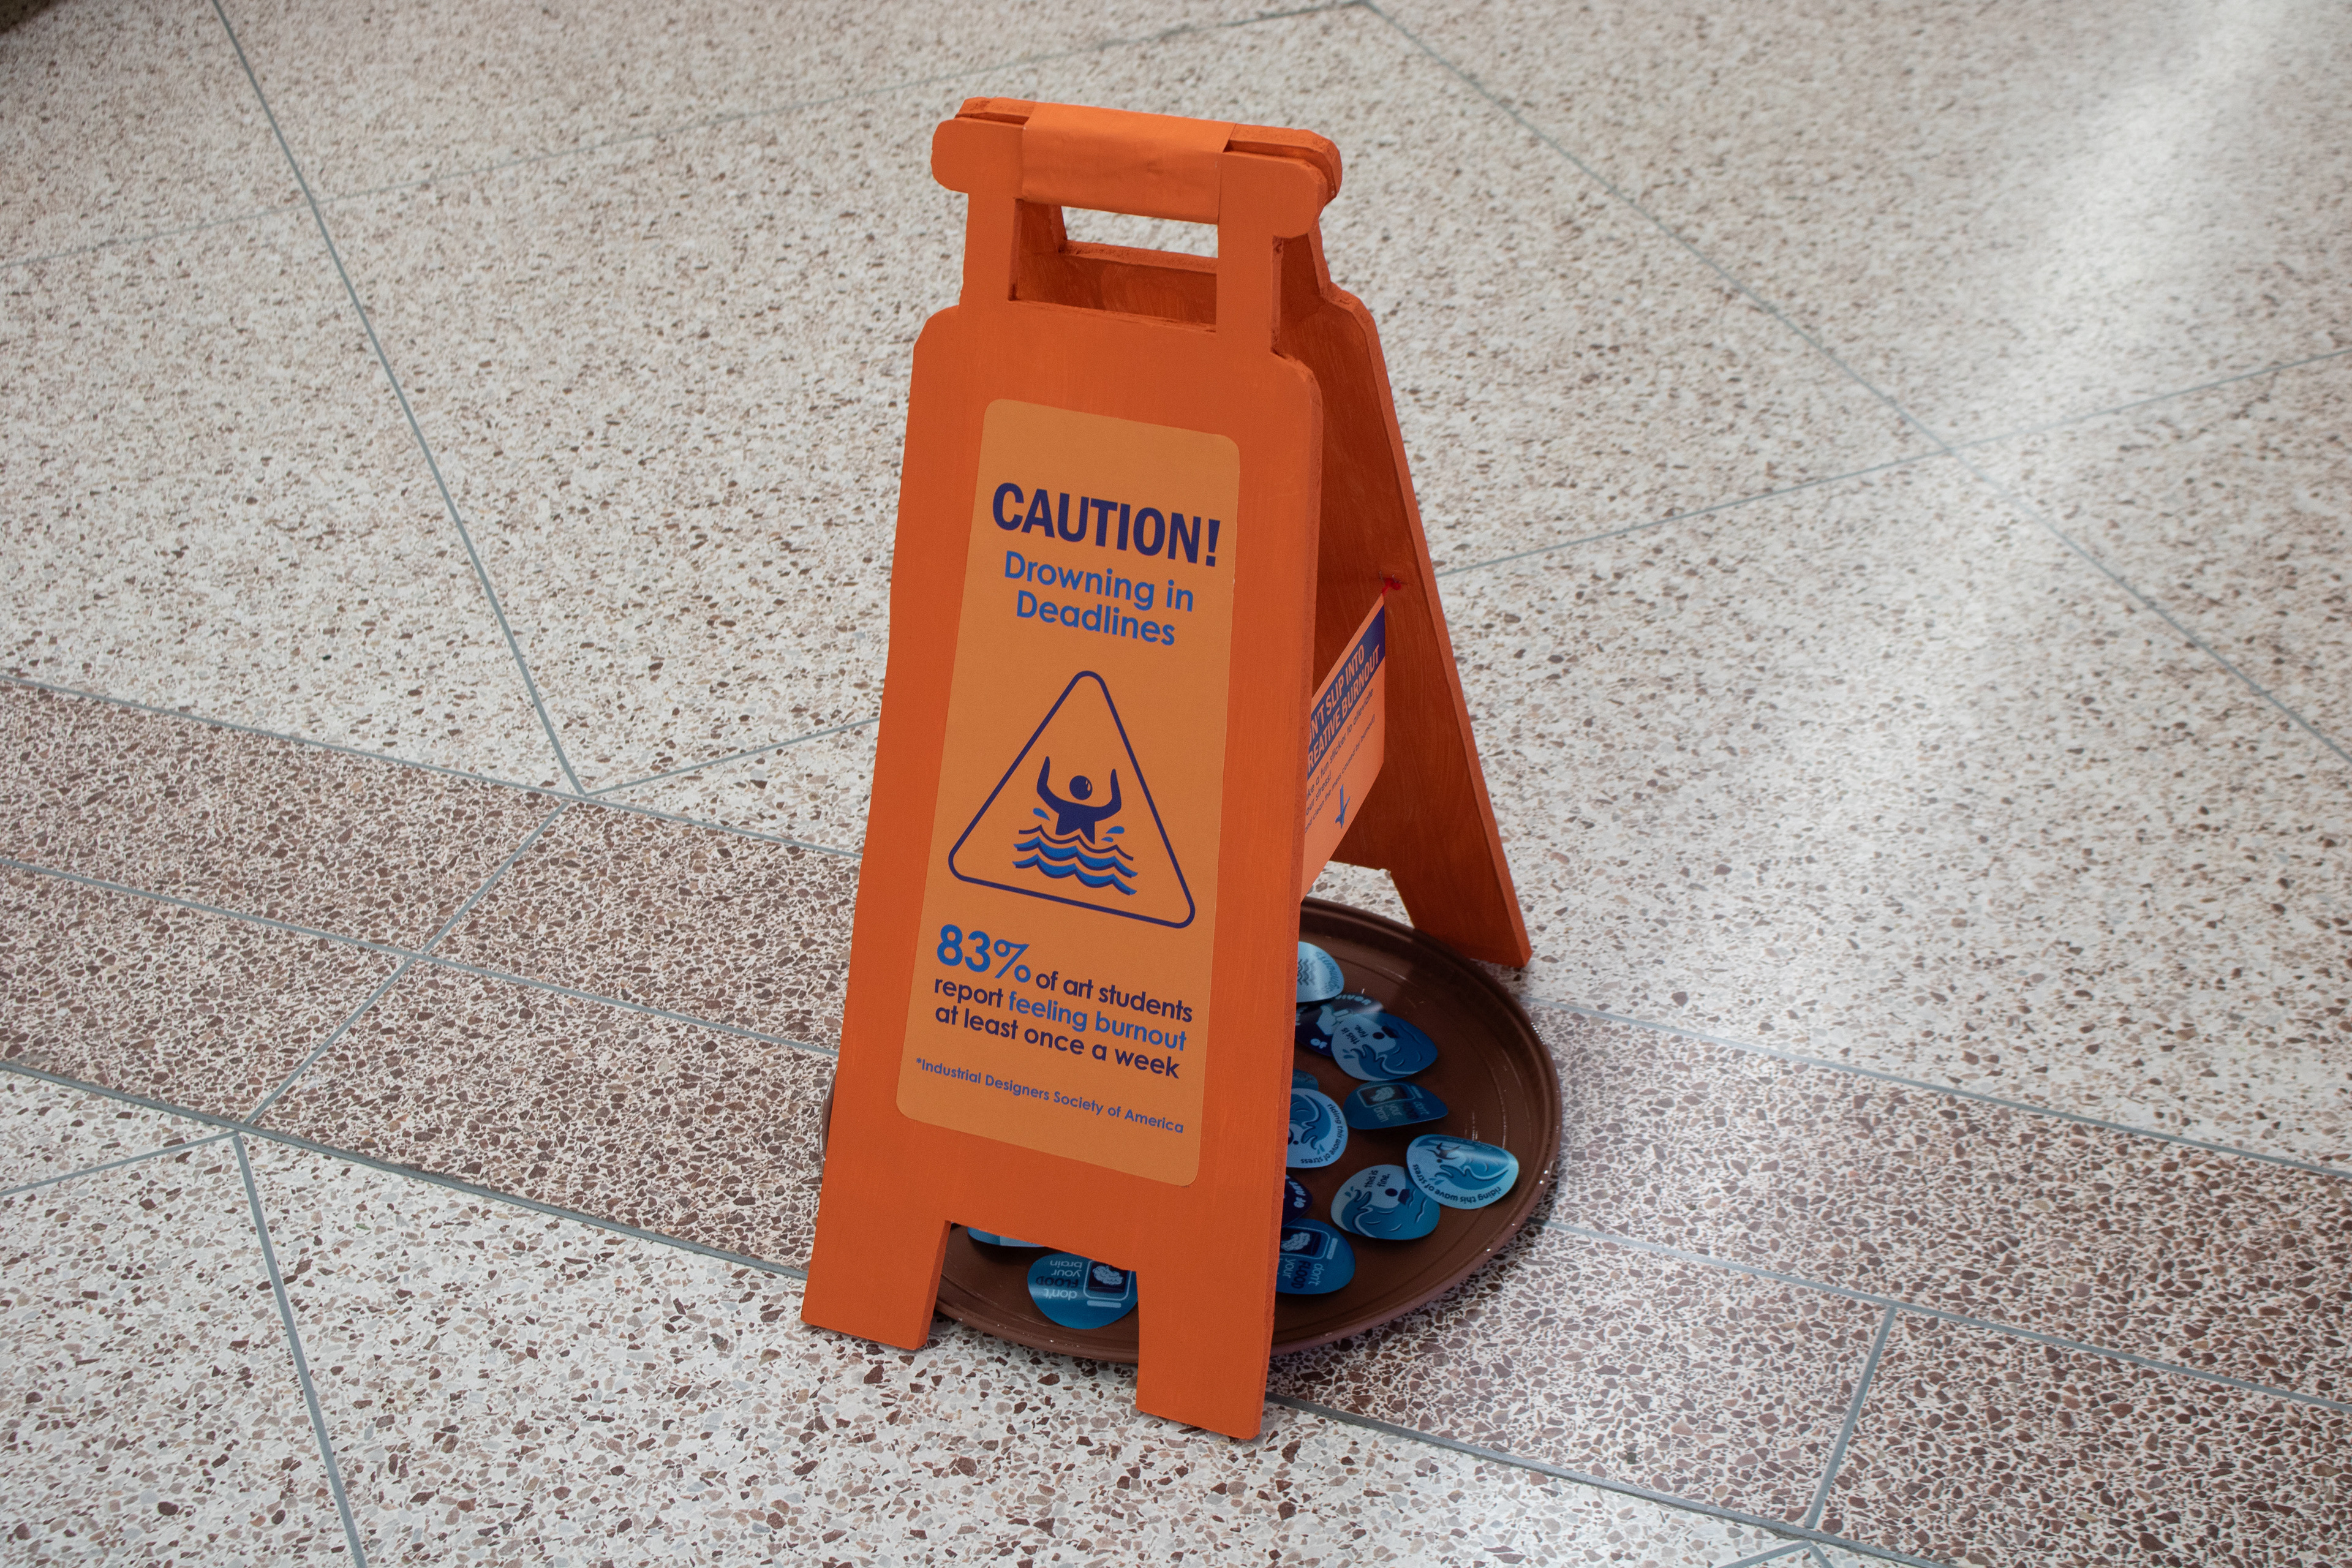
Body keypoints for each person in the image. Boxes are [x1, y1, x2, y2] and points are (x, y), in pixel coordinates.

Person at [1036, 758, 1122, 841]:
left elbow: (1042, 789)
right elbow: (1115, 805)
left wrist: (1046, 764)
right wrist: (1114, 778)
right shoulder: (1092, 813)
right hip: (1082, 849)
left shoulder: (1063, 807)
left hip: (1060, 848)